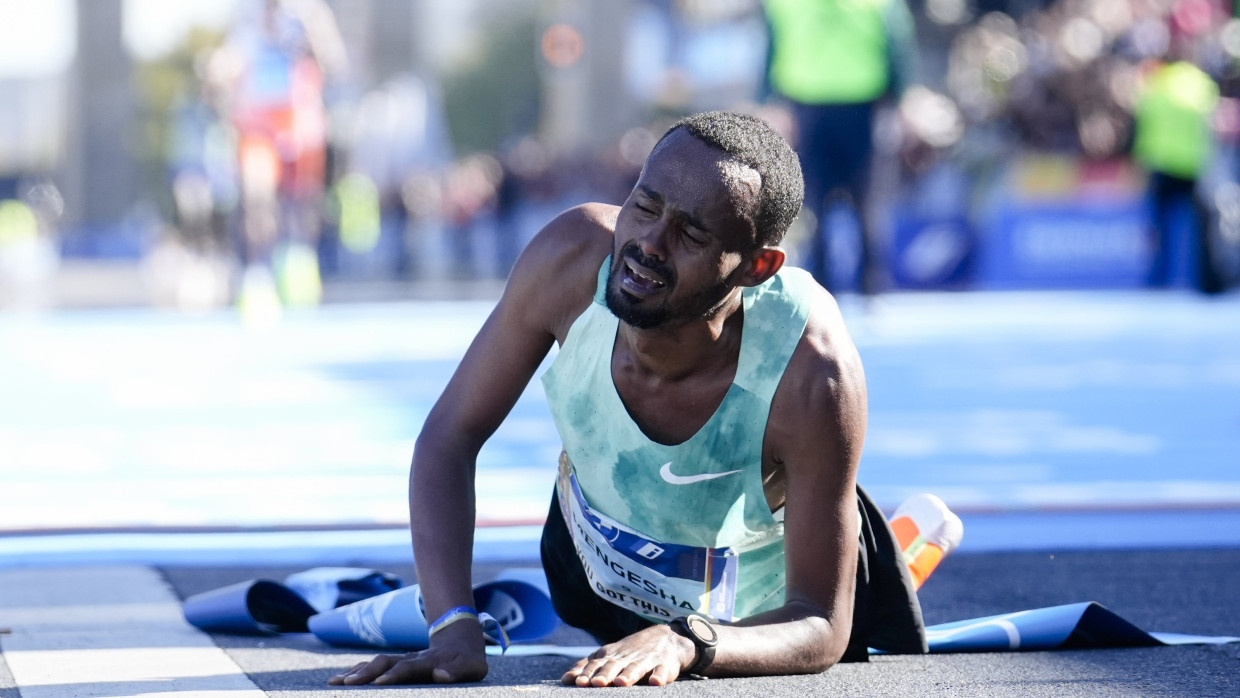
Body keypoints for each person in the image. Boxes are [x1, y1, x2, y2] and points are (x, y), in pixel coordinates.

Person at [329, 111, 925, 688]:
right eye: (643, 206)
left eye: (692, 233)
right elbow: (448, 437)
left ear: (757, 267)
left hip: (756, 623)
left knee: (843, 585)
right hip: (592, 577)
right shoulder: (568, 260)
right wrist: (452, 626)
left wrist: (689, 638)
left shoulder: (811, 372)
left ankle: (896, 538)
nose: (649, 244)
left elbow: (820, 624)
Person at [762, 0, 916, 295]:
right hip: (850, 102)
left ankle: (831, 286)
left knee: (825, 201)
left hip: (824, 102)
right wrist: (902, 96)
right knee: (858, 200)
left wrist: (768, 97)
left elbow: (770, 48)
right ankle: (864, 287)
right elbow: (897, 45)